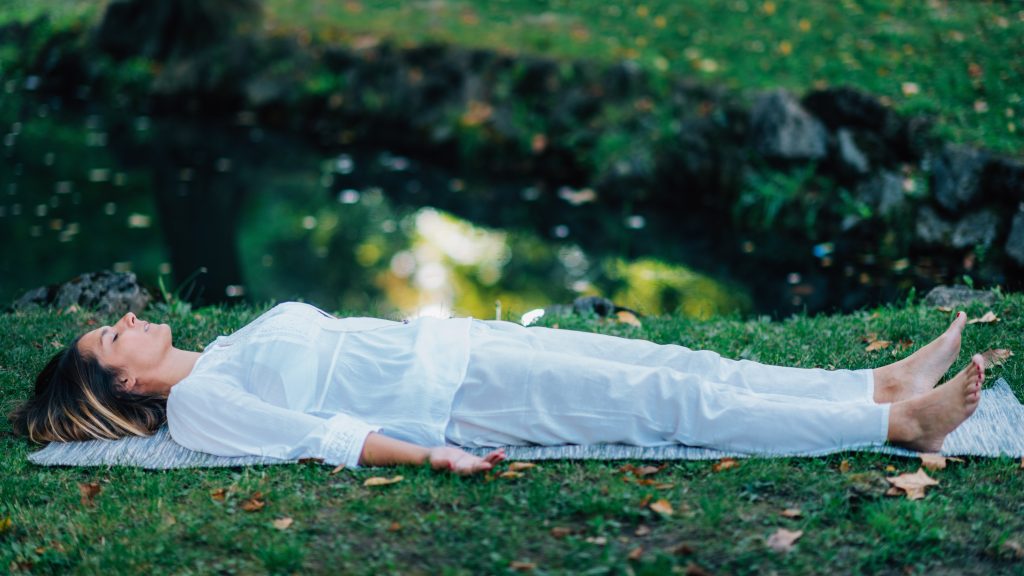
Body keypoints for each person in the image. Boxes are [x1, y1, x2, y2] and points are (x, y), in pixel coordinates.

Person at [8, 302, 985, 476]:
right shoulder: (203, 405)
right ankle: (895, 425)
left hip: (463, 346)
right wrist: (427, 452)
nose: (130, 318)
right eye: (113, 333)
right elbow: (327, 438)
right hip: (466, 399)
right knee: (676, 410)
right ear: (123, 378)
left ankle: (874, 378)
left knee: (679, 367)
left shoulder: (217, 350)